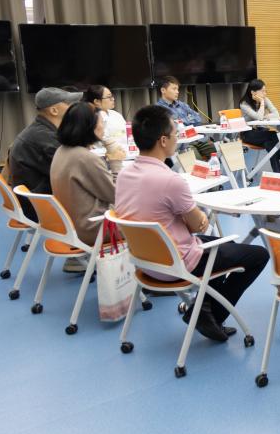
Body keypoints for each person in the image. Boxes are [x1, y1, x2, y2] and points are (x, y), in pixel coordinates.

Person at [115, 105, 267, 342]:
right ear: (163, 140)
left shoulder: (124, 175)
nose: (177, 138)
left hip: (146, 262)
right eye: (175, 133)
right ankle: (209, 316)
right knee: (258, 255)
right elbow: (199, 226)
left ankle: (203, 308)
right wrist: (200, 219)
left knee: (222, 247)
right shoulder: (170, 181)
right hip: (178, 263)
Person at [9, 87, 83, 223]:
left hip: (34, 201)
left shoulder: (40, 131)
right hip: (40, 209)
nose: (74, 108)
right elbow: (75, 173)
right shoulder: (45, 137)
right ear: (54, 111)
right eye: (69, 104)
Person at [50, 102, 116, 246]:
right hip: (94, 229)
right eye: (101, 122)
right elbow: (115, 195)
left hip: (71, 226)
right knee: (149, 215)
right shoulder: (85, 158)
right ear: (90, 127)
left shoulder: (61, 151)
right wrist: (116, 163)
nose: (103, 127)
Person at [155, 76, 214, 160]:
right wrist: (188, 119)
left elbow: (198, 119)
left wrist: (181, 121)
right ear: (163, 90)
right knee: (198, 163)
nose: (177, 92)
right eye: (174, 89)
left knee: (220, 155)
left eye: (177, 89)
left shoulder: (182, 105)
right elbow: (173, 127)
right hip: (183, 145)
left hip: (199, 139)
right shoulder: (158, 109)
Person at [238, 79, 280, 173]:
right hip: (248, 134)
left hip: (260, 132)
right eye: (262, 91)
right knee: (273, 134)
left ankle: (278, 173)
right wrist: (262, 103)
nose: (265, 93)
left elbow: (276, 113)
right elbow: (259, 117)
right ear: (253, 92)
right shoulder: (244, 104)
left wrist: (265, 116)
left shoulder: (265, 98)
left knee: (269, 144)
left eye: (265, 91)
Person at [82, 84, 128, 173]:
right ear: (97, 101)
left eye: (112, 96)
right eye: (109, 97)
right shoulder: (92, 118)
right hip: (105, 159)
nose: (113, 99)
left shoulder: (116, 114)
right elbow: (104, 140)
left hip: (125, 154)